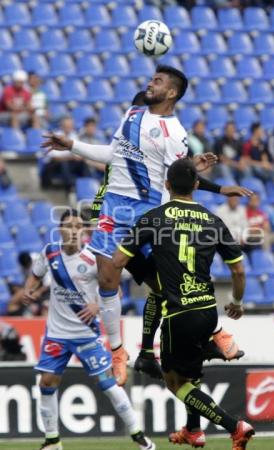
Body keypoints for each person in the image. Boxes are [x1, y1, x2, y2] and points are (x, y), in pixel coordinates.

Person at [42, 67, 251, 385]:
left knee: (169, 284)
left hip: (150, 212)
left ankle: (216, 332)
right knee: (107, 276)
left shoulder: (175, 133)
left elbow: (179, 176)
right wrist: (71, 144)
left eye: (158, 81)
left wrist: (208, 180)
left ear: (172, 93)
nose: (150, 83)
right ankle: (117, 351)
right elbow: (113, 154)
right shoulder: (133, 112)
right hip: (114, 206)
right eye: (152, 79)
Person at [113, 158, 255, 450]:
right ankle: (193, 429)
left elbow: (118, 261)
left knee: (176, 383)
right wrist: (237, 302)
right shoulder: (213, 220)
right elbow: (239, 270)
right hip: (207, 310)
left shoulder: (154, 217)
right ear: (197, 186)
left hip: (178, 313)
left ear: (166, 185)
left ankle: (234, 426)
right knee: (191, 373)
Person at [23, 209, 155, 450]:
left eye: (77, 227)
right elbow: (35, 274)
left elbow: (115, 291)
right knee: (46, 383)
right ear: (60, 229)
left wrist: (96, 305)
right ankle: (52, 441)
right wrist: (28, 289)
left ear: (84, 232)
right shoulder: (49, 252)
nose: (73, 231)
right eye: (68, 226)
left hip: (87, 335)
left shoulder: (94, 258)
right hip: (57, 334)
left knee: (108, 385)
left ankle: (139, 436)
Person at [41, 116, 92, 192]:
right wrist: (71, 157)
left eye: (70, 126)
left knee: (83, 163)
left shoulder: (74, 135)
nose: (69, 128)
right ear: (62, 126)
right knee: (65, 164)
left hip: (71, 162)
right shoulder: (55, 136)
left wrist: (79, 158)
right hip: (54, 164)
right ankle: (70, 188)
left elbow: (78, 154)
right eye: (67, 126)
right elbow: (54, 157)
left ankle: (89, 185)